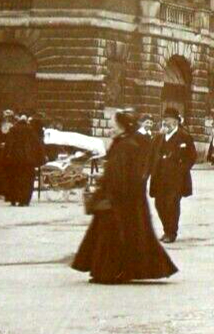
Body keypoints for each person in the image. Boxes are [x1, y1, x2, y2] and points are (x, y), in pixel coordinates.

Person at [71, 109, 178, 284]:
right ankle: (108, 271)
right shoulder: (123, 143)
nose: (111, 128)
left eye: (114, 125)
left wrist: (108, 191)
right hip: (121, 198)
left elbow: (122, 175)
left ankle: (110, 272)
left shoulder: (127, 145)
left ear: (122, 127)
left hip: (120, 200)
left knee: (114, 237)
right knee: (115, 236)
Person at [149, 108, 196, 243]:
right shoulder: (158, 137)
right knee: (159, 204)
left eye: (168, 120)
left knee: (172, 204)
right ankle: (166, 229)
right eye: (164, 120)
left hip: (176, 179)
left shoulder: (184, 136)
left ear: (175, 122)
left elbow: (192, 156)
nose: (165, 123)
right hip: (159, 177)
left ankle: (171, 232)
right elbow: (151, 156)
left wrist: (182, 169)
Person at [3, 113, 45, 206]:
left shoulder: (13, 130)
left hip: (14, 160)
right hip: (28, 161)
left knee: (14, 179)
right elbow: (38, 145)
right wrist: (41, 159)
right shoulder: (31, 131)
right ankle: (24, 200)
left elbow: (8, 145)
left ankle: (13, 198)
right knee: (26, 181)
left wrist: (5, 159)